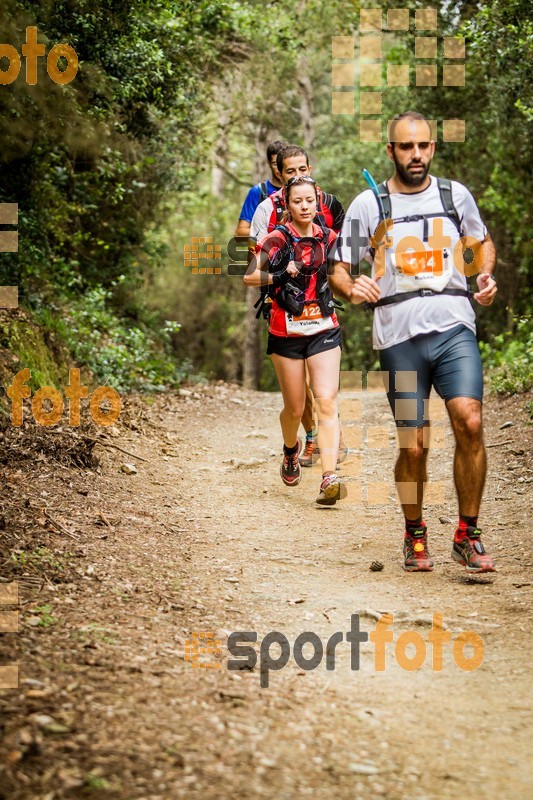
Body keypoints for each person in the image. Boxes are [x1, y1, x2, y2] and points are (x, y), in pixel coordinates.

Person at [330, 110, 497, 573]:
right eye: (406, 147)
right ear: (391, 151)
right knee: (414, 444)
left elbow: (480, 242)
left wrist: (483, 274)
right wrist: (351, 286)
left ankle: (468, 533)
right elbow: (339, 268)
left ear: (433, 149)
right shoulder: (371, 206)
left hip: (453, 328)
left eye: (423, 145)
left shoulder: (453, 195)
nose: (416, 154)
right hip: (398, 338)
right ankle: (415, 533)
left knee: (470, 420)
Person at [244, 175, 346, 505]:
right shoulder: (276, 237)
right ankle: (291, 449)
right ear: (287, 204)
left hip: (324, 328)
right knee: (295, 407)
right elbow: (249, 275)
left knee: (327, 400)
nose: (305, 206)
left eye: (310, 201)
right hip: (285, 331)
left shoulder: (329, 236)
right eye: (298, 201)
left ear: (317, 203)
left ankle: (329, 477)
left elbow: (354, 266)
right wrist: (278, 272)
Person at [235, 140, 288, 238]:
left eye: (283, 163)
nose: (279, 168)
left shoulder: (299, 191)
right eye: (276, 164)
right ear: (268, 163)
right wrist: (272, 231)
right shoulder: (258, 192)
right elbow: (240, 231)